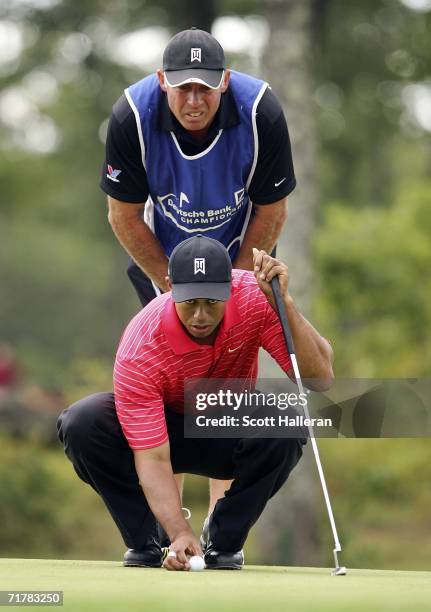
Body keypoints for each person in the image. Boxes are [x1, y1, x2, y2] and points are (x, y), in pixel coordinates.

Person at [100, 26, 297, 514]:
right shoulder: (132, 115)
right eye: (182, 86)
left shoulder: (260, 112)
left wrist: (232, 288)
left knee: (226, 388)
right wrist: (180, 288)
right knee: (171, 387)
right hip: (161, 263)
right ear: (162, 80)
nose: (194, 99)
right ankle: (173, 522)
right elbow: (123, 214)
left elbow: (271, 210)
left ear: (225, 81)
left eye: (205, 87)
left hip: (240, 257)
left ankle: (219, 527)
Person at [57, 236, 334, 570]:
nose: (201, 315)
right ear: (170, 286)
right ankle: (148, 538)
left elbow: (320, 379)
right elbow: (154, 456)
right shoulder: (142, 344)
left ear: (230, 287)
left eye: (212, 301)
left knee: (285, 422)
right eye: (190, 302)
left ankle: (223, 539)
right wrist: (179, 530)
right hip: (163, 430)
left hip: (224, 428)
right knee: (83, 422)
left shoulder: (255, 298)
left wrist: (283, 303)